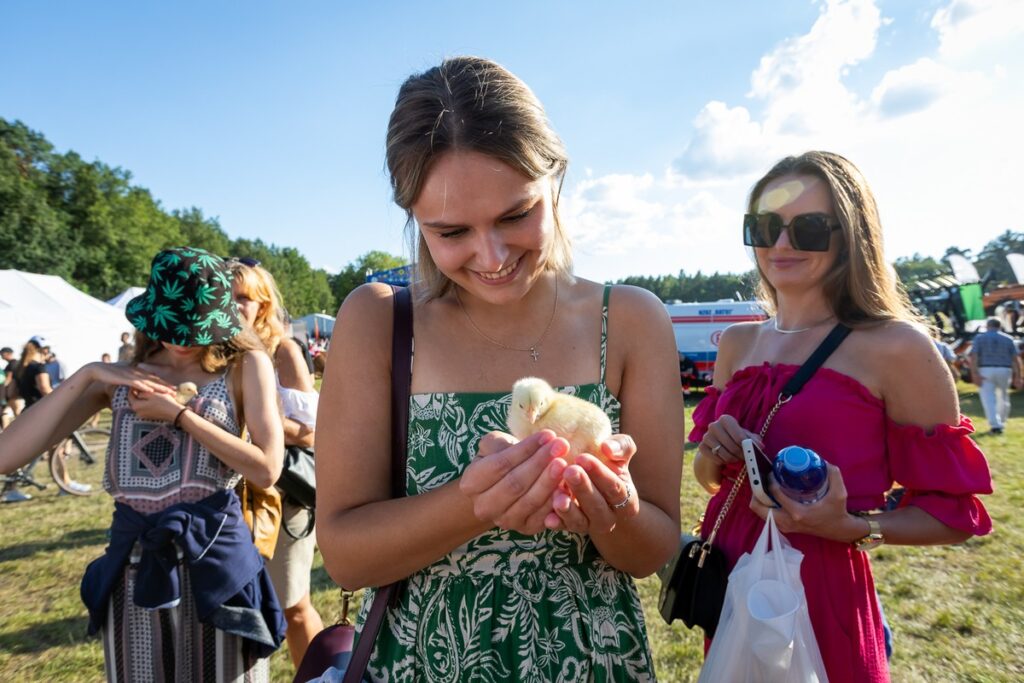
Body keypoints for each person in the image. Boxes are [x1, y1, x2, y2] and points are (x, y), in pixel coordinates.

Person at [316, 56, 683, 681]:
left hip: (593, 661)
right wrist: (477, 500)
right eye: (451, 231)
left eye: (516, 215)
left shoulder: (631, 320)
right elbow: (347, 558)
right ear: (413, 219)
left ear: (556, 182)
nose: (492, 256)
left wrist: (610, 508)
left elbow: (655, 548)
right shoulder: (378, 321)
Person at [690, 151, 993, 683]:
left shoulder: (896, 348)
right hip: (734, 583)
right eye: (764, 227)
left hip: (823, 594)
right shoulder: (738, 342)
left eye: (807, 229)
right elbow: (709, 480)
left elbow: (952, 516)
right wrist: (712, 454)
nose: (780, 245)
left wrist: (854, 527)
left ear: (850, 237)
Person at [0, 247, 286, 681]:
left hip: (214, 563)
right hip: (134, 567)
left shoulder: (245, 366)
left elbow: (267, 469)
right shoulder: (123, 375)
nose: (180, 341)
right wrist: (90, 374)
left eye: (192, 329)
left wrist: (180, 416)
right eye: (170, 328)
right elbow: (7, 456)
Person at [231, 259, 325, 667]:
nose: (234, 307)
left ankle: (322, 676)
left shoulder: (281, 350)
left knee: (293, 604)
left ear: (263, 304)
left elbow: (313, 431)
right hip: (232, 496)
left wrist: (260, 422)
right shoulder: (215, 352)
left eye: (243, 299)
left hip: (282, 497)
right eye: (225, 297)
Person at [968, 317, 1022, 434]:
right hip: (1005, 369)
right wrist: (1018, 376)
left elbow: (974, 356)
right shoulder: (1008, 339)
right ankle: (1001, 422)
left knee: (988, 398)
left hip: (986, 368)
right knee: (1002, 396)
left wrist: (974, 373)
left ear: (987, 325)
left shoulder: (979, 338)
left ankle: (995, 425)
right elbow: (1015, 359)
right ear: (999, 326)